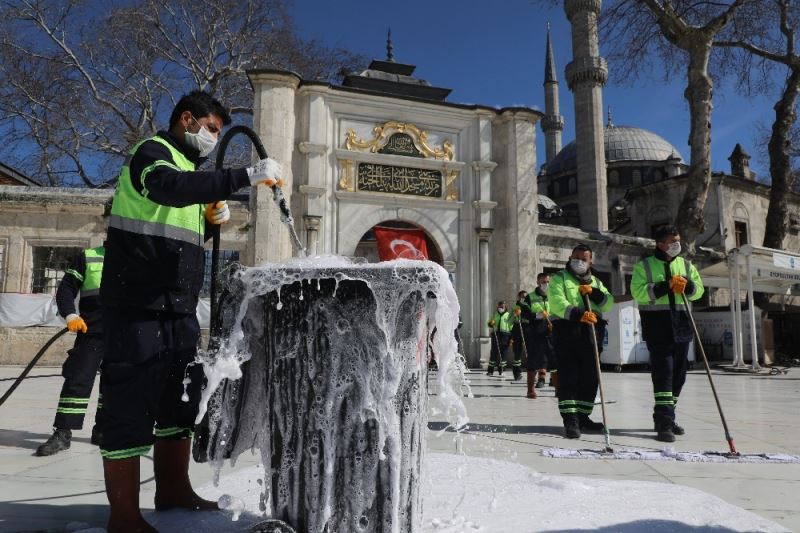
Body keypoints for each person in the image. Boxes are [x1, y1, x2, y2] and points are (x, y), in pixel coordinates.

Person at [99, 90, 282, 532]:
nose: (213, 140)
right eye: (212, 130)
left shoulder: (190, 170)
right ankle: (123, 514)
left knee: (178, 401)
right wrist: (243, 175)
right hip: (137, 303)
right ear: (187, 119)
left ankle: (173, 489)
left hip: (178, 308)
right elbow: (165, 189)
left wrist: (207, 220)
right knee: (128, 405)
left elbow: (177, 229)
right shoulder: (153, 154)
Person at [630, 225, 704, 443]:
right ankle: (664, 423)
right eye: (672, 241)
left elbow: (699, 291)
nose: (677, 245)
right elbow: (638, 292)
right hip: (658, 327)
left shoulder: (687, 265)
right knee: (664, 375)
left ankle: (667, 416)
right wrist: (664, 286)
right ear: (660, 244)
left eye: (678, 240)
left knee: (679, 376)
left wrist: (688, 286)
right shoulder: (644, 266)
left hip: (681, 327)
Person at [35, 245, 106, 456]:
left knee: (116, 385)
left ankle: (104, 431)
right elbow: (66, 288)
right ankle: (63, 434)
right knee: (77, 381)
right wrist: (70, 315)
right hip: (91, 330)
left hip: (125, 334)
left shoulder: (139, 257)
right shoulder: (89, 257)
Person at [549, 244, 614, 439]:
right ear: (569, 257)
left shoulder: (596, 282)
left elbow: (608, 303)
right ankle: (570, 419)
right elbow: (557, 302)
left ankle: (583, 416)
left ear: (590, 262)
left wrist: (595, 293)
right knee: (569, 377)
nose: (579, 261)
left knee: (590, 378)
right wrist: (579, 314)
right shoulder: (559, 278)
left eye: (584, 259)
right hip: (568, 333)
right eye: (576, 257)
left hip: (592, 334)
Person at [526, 273, 556, 398]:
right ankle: (530, 390)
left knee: (554, 360)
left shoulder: (554, 296)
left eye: (548, 282)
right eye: (543, 282)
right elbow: (525, 313)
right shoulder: (530, 297)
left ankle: (558, 389)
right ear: (538, 282)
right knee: (533, 360)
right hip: (535, 333)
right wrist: (538, 315)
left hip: (551, 333)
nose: (546, 284)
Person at [487, 301, 513, 376]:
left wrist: (511, 337)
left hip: (505, 335)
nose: (501, 308)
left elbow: (511, 326)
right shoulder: (495, 314)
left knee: (503, 353)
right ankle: (490, 370)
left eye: (502, 307)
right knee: (494, 352)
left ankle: (502, 370)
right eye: (500, 306)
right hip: (496, 334)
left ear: (505, 307)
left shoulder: (508, 315)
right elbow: (489, 323)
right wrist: (490, 323)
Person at [510, 290, 529, 381]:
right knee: (517, 351)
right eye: (522, 297)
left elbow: (532, 316)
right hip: (517, 327)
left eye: (525, 297)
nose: (523, 298)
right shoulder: (514, 306)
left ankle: (532, 370)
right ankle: (517, 371)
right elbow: (509, 320)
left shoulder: (529, 305)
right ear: (518, 297)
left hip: (527, 328)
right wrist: (514, 315)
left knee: (530, 349)